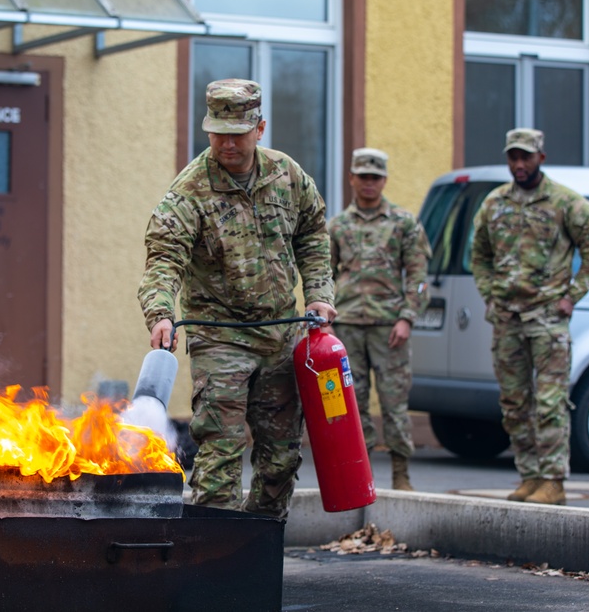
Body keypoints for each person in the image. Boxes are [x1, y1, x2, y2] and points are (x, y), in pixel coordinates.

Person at [138, 79, 337, 518]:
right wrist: (161, 314)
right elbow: (163, 259)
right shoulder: (190, 191)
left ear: (259, 129)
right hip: (219, 337)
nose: (227, 143)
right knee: (221, 459)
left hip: (279, 336)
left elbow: (313, 237)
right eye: (218, 132)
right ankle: (214, 562)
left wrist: (320, 294)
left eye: (238, 132)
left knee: (281, 461)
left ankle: (258, 554)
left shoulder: (288, 176)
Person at [470, 128, 589, 505]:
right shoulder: (494, 203)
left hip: (547, 319)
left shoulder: (567, 203)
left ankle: (553, 480)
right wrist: (490, 294)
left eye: (525, 157)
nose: (518, 164)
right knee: (514, 403)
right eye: (513, 157)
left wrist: (571, 296)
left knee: (549, 402)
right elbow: (478, 256)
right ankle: (529, 475)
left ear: (540, 158)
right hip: (507, 320)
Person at [327, 148, 431, 491]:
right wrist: (324, 320)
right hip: (348, 328)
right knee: (351, 404)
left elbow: (418, 276)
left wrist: (407, 318)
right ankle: (362, 473)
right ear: (352, 178)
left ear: (384, 180)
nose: (369, 183)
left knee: (394, 404)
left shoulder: (403, 223)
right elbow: (323, 275)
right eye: (363, 176)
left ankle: (401, 475)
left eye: (375, 177)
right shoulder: (338, 226)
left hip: (390, 330)